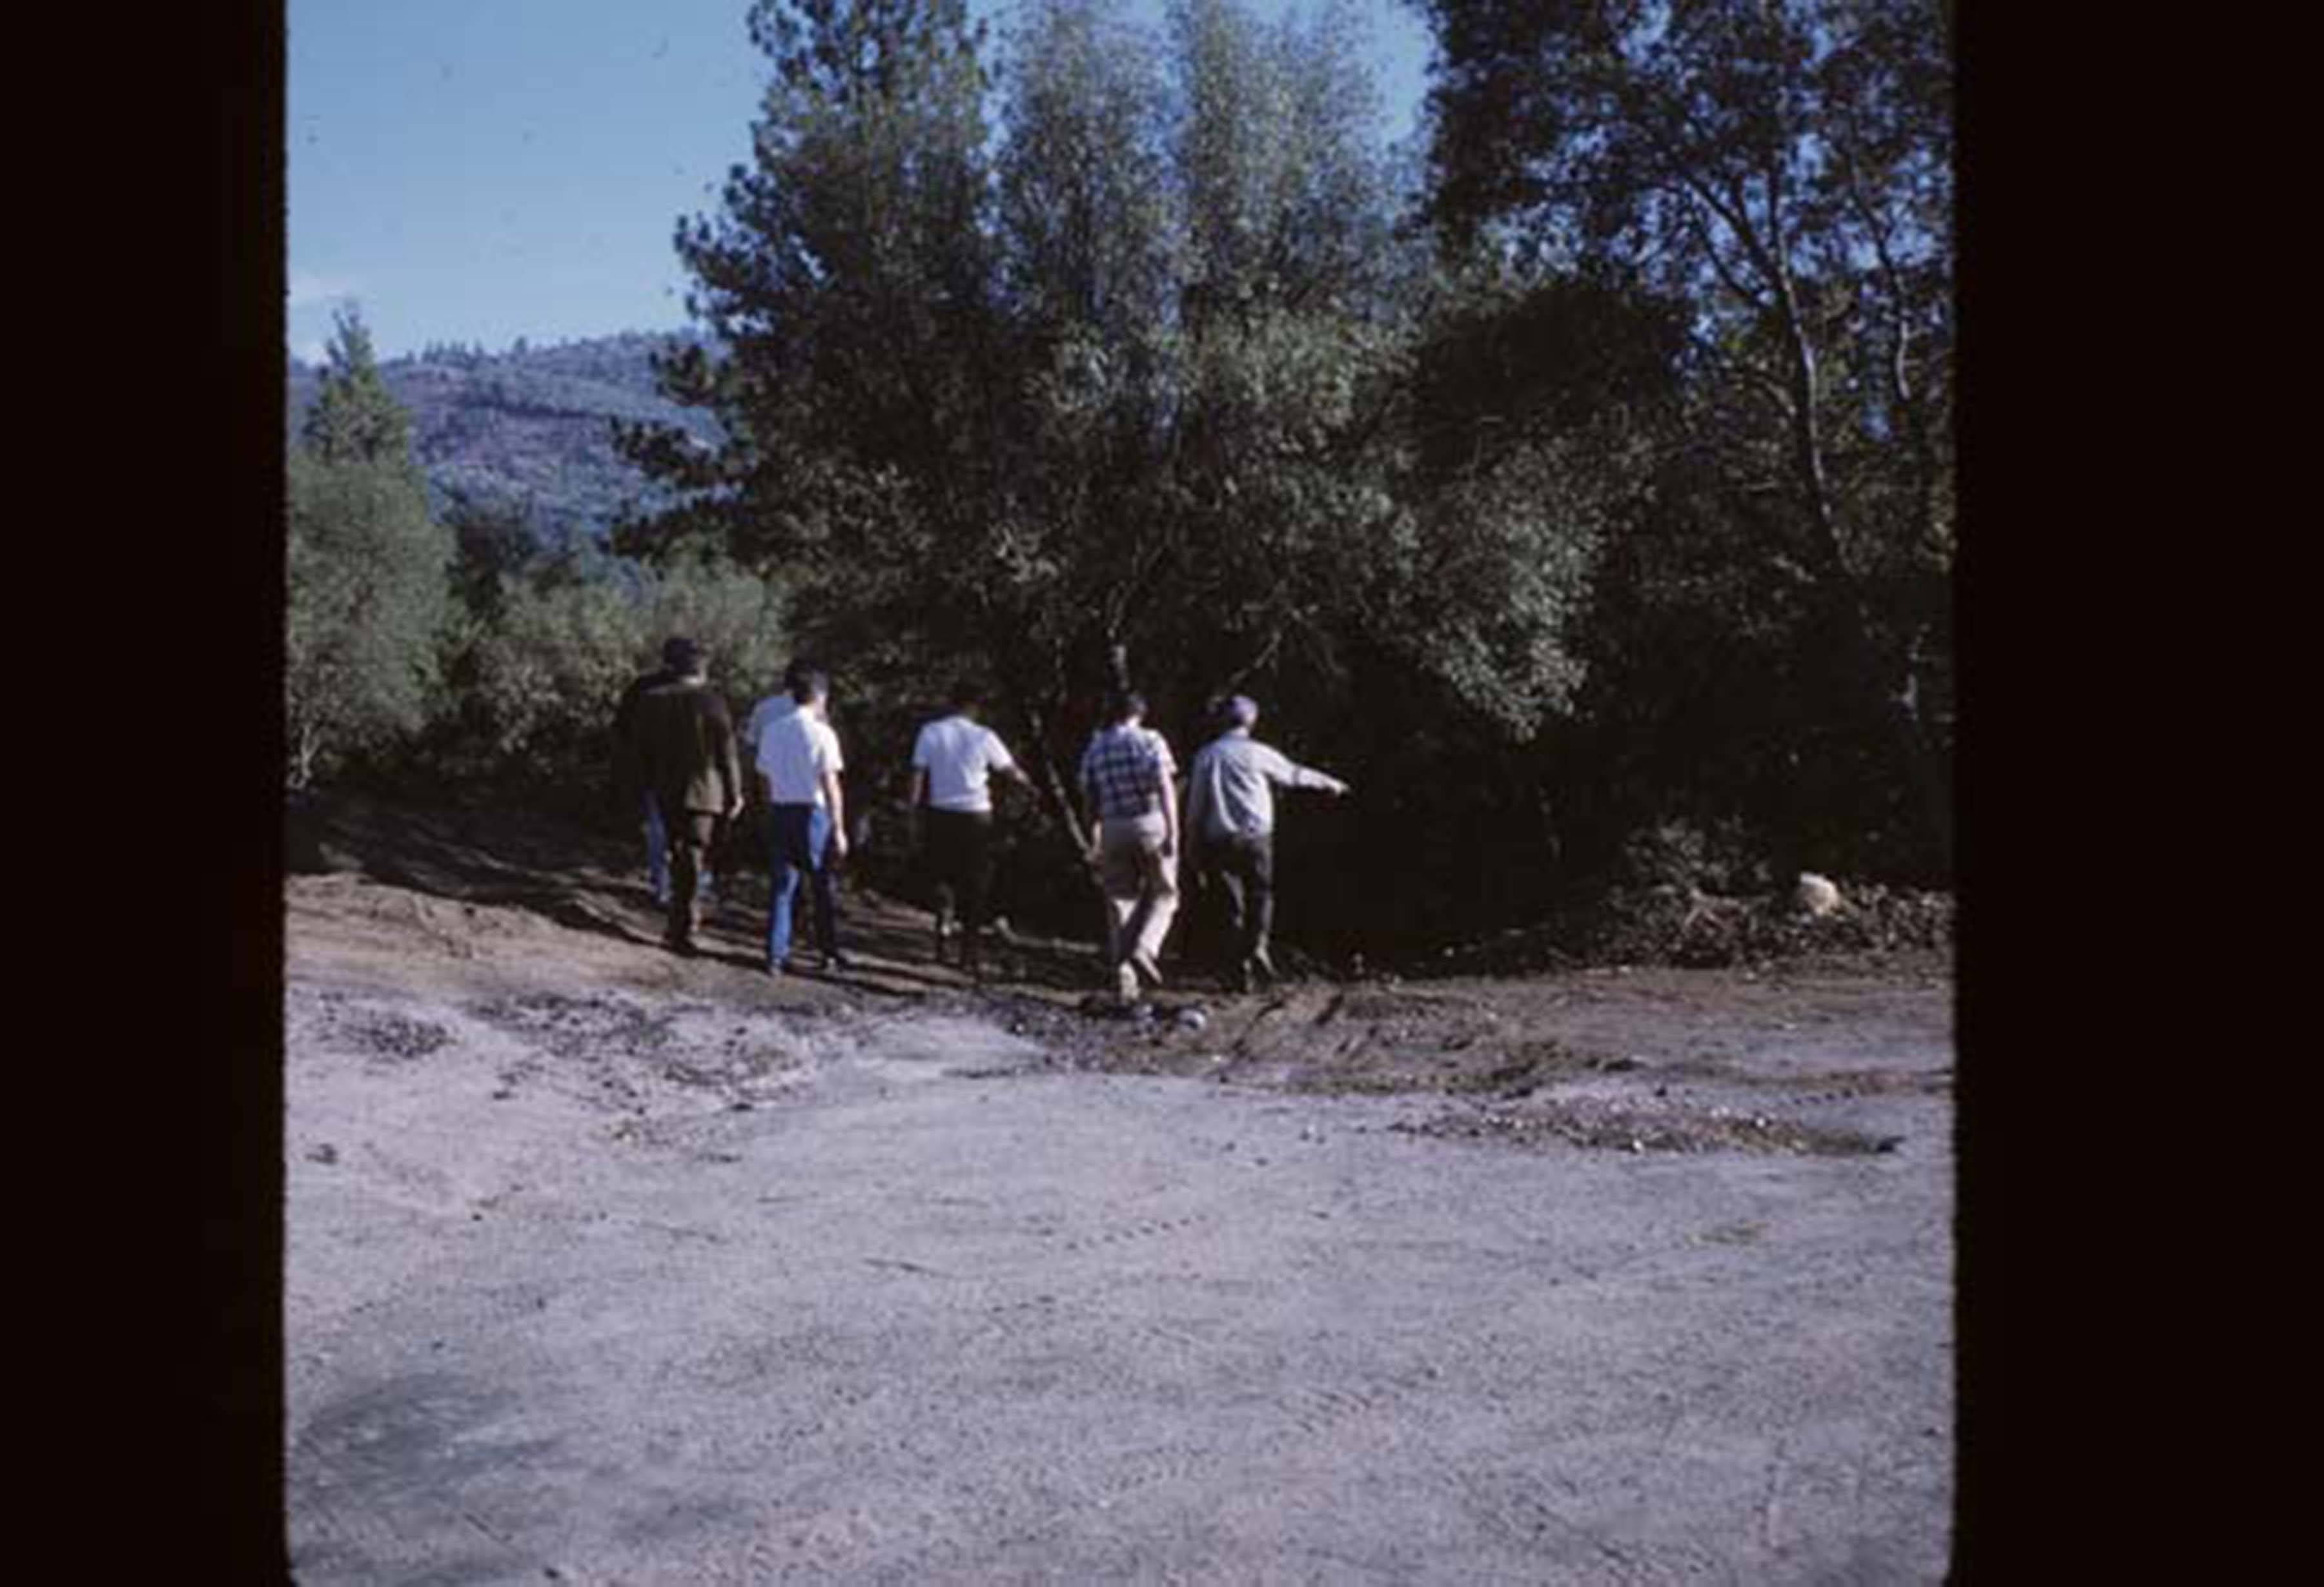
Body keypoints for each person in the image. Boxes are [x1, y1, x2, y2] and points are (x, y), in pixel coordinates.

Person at [1183, 693, 1350, 992]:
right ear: (1252, 721)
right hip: (1257, 838)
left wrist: (1191, 844)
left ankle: (1238, 970)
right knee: (1261, 895)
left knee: (1229, 905)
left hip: (1219, 839)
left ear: (1221, 720)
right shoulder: (1258, 753)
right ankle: (1257, 946)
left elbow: (1196, 807)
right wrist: (1330, 783)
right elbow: (1293, 775)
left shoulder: (1207, 756)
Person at [614, 638, 744, 956]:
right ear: (703, 669)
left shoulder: (651, 700)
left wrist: (640, 786)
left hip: (664, 788)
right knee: (694, 857)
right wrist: (736, 791)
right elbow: (727, 752)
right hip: (705, 791)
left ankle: (679, 919)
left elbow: (637, 749)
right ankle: (683, 926)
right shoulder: (712, 701)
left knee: (677, 853)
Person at [909, 681, 1035, 979]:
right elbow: (1010, 771)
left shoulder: (931, 733)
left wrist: (913, 811)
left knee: (941, 874)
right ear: (974, 707)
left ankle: (943, 923)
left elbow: (917, 774)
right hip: (976, 815)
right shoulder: (984, 737)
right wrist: (1028, 785)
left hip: (941, 812)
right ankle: (969, 953)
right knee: (975, 883)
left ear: (950, 703)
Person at [1076, 690, 1179, 1003]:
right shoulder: (1150, 741)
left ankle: (1125, 983)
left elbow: (1089, 796)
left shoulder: (1096, 746)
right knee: (1165, 894)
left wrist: (1092, 833)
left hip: (1113, 827)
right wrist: (1173, 831)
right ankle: (1146, 948)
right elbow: (1164, 786)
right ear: (1140, 713)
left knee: (1121, 903)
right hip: (1149, 821)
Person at [612, 637, 722, 907]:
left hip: (655, 773)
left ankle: (664, 886)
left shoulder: (643, 689)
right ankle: (690, 887)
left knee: (660, 832)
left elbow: (624, 730)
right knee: (693, 836)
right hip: (697, 776)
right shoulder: (700, 692)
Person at [756, 670, 850, 973]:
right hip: (813, 812)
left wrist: (769, 809)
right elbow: (830, 783)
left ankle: (775, 954)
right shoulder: (823, 733)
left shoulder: (773, 730)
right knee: (821, 885)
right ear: (820, 697)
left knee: (782, 886)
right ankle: (828, 952)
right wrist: (839, 827)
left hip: (781, 810)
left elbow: (764, 778)